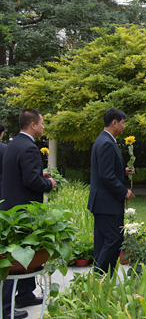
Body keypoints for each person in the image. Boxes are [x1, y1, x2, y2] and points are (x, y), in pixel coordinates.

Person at [1, 110, 56, 319]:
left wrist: (37, 173)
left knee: (24, 253)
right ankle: (6, 308)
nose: (43, 127)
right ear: (33, 125)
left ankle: (25, 294)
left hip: (10, 208)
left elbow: (18, 173)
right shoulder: (30, 148)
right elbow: (31, 182)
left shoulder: (14, 145)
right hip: (24, 211)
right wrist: (48, 183)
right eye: (42, 123)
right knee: (15, 259)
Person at [88, 108, 134, 277]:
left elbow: (106, 170)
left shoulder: (103, 140)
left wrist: (123, 170)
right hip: (107, 203)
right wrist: (124, 192)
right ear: (114, 122)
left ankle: (101, 281)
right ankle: (99, 276)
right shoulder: (107, 142)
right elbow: (106, 176)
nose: (124, 127)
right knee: (114, 239)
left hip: (101, 202)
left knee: (103, 241)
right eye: (122, 123)